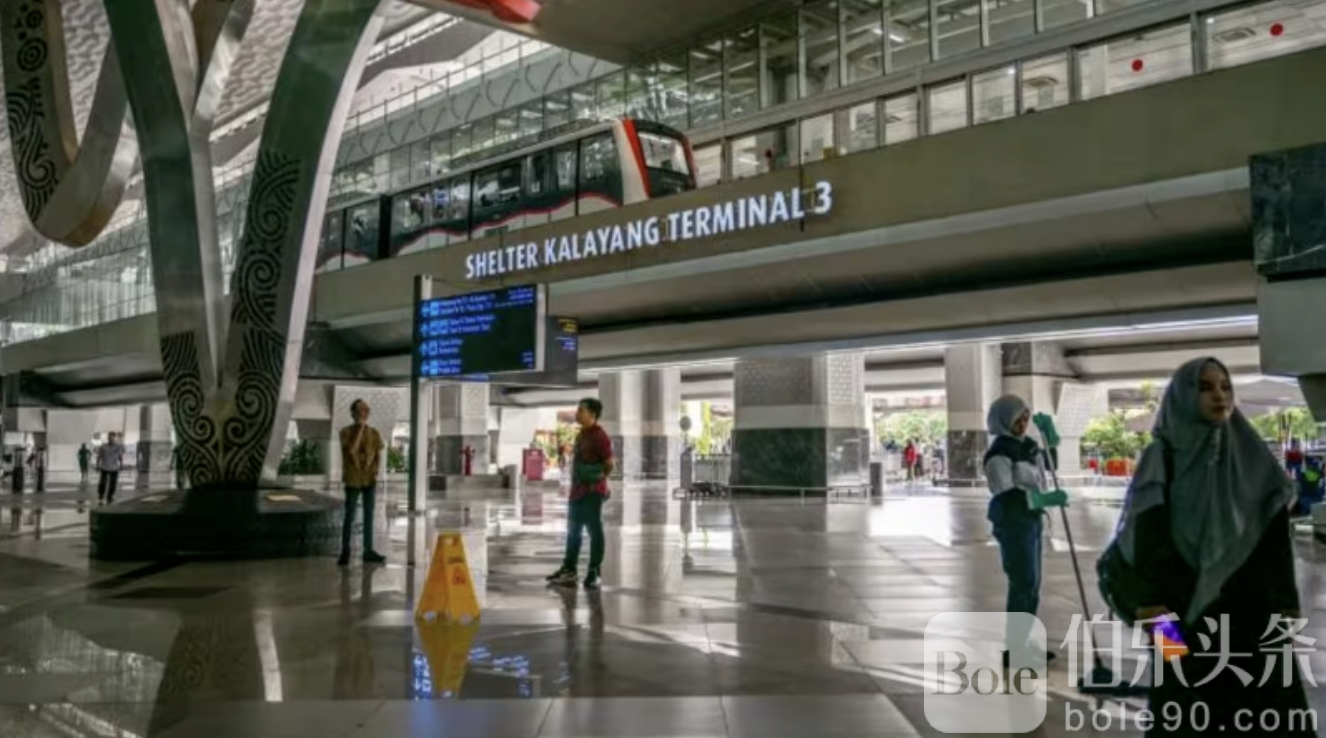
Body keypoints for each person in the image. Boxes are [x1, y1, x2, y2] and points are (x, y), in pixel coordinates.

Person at [1115, 358, 1310, 737]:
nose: (1219, 395)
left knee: (1269, 711)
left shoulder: (1250, 456)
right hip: (1171, 614)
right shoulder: (1162, 458)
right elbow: (1143, 541)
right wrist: (1153, 615)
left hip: (1250, 613)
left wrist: (1284, 605)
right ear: (1184, 396)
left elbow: (1273, 538)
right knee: (1179, 706)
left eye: (1225, 386)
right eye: (1205, 387)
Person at [984, 395, 1055, 666]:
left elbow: (1043, 474)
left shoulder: (1028, 447)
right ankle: (1014, 649)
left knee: (1032, 585)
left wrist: (1050, 442)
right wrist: (1038, 499)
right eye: (1018, 419)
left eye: (1026, 419)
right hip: (1013, 523)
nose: (1023, 424)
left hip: (1032, 520)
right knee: (1023, 582)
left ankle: (1023, 644)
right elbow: (1004, 491)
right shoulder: (999, 453)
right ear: (1004, 420)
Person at [546, 398, 614, 590]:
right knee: (573, 530)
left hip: (592, 492)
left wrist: (599, 481)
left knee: (594, 530)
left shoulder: (600, 436)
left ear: (592, 414)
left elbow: (609, 464)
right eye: (577, 410)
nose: (577, 413)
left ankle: (594, 571)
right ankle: (569, 569)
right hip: (577, 492)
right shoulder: (582, 434)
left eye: (581, 410)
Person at [339, 399, 386, 567]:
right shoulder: (345, 432)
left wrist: (376, 471)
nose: (365, 412)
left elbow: (378, 454)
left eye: (366, 409)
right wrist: (360, 429)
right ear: (353, 413)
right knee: (349, 515)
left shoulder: (374, 433)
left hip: (369, 479)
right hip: (353, 479)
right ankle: (345, 550)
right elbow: (351, 449)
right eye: (361, 409)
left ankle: (368, 550)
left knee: (369, 515)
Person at [97, 434, 124, 503]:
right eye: (109, 438)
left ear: (114, 438)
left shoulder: (118, 447)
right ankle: (101, 494)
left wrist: (121, 464)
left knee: (113, 483)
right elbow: (99, 456)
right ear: (108, 438)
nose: (110, 439)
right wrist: (98, 465)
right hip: (104, 467)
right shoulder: (103, 446)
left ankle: (110, 496)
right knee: (102, 482)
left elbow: (120, 456)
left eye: (112, 438)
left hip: (114, 468)